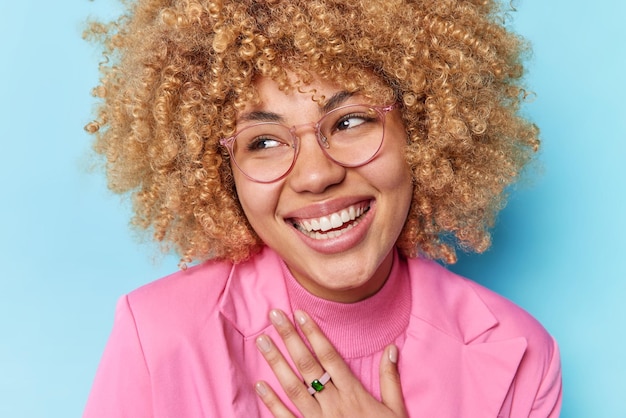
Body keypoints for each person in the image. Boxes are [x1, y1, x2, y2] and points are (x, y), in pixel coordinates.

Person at [82, 0, 562, 416]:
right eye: (264, 141)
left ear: (420, 129)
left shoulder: (521, 358)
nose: (316, 175)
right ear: (222, 173)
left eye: (351, 120)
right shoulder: (160, 338)